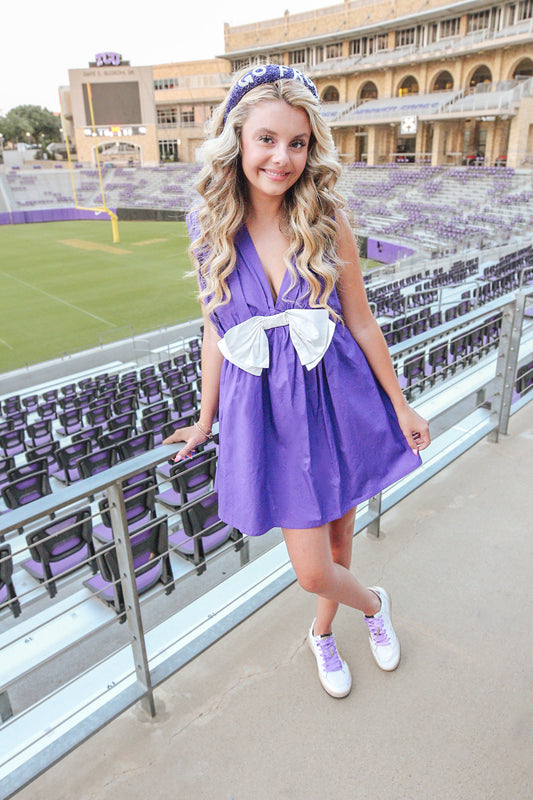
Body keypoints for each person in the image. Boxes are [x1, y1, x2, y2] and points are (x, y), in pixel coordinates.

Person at [164, 65, 430, 699]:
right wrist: (206, 419)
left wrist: (400, 405)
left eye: (298, 142)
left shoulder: (327, 216)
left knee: (338, 539)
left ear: (312, 149)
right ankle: (373, 606)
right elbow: (216, 335)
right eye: (266, 139)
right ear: (237, 141)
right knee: (314, 570)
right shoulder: (209, 234)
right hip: (269, 416)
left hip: (338, 399)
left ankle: (322, 634)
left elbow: (362, 325)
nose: (282, 157)